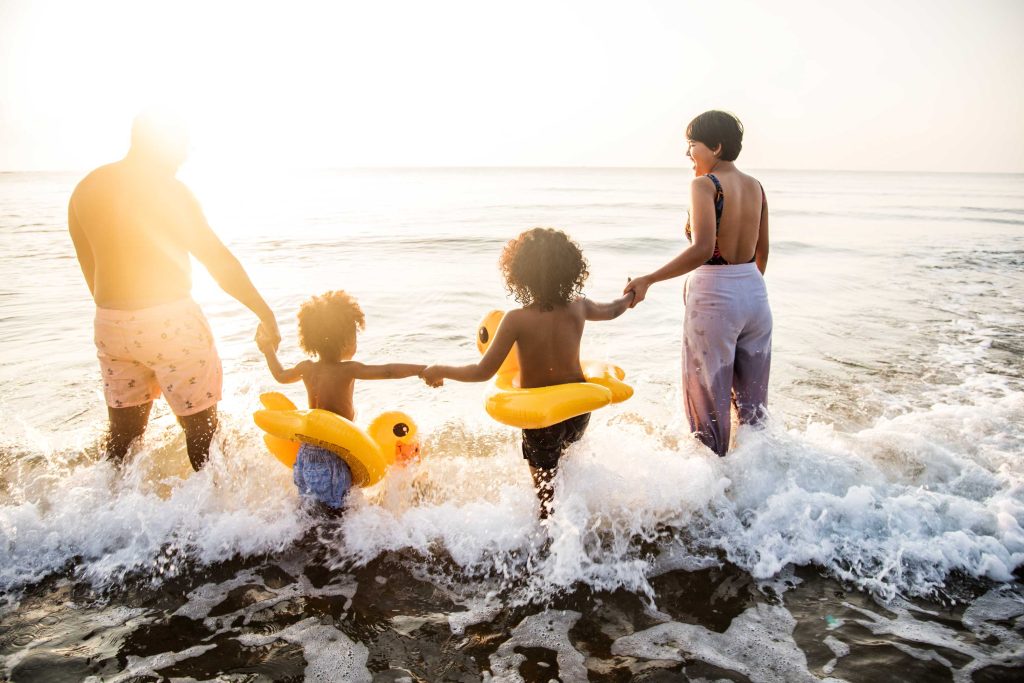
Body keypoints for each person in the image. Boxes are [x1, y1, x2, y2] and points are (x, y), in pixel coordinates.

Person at [68, 110, 280, 471]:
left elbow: (91, 269)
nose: (185, 154)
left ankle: (106, 502)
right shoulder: (170, 191)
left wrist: (122, 317)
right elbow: (218, 261)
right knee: (203, 433)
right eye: (182, 145)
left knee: (122, 439)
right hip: (171, 321)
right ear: (162, 143)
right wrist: (265, 313)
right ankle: (215, 505)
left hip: (110, 324)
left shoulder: (86, 188)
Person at [421, 228, 634, 518]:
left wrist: (440, 369)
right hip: (577, 411)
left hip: (541, 419)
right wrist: (629, 296)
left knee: (545, 498)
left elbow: (482, 371)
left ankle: (549, 534)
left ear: (519, 275)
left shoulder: (516, 319)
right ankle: (575, 521)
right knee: (566, 467)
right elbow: (612, 310)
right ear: (571, 269)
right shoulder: (579, 306)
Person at [624, 110, 771, 457]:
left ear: (715, 147)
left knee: (708, 410)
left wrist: (649, 279)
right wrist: (743, 289)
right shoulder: (756, 187)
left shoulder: (705, 185)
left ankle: (712, 486)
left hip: (715, 298)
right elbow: (763, 251)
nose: (688, 153)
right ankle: (759, 478)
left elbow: (703, 248)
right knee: (754, 410)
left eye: (692, 145)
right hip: (755, 295)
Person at [257, 290, 426, 511]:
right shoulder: (348, 369)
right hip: (333, 456)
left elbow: (280, 375)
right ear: (346, 340)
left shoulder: (306, 368)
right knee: (336, 516)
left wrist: (268, 350)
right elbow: (388, 371)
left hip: (305, 455)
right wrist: (422, 370)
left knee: (310, 513)